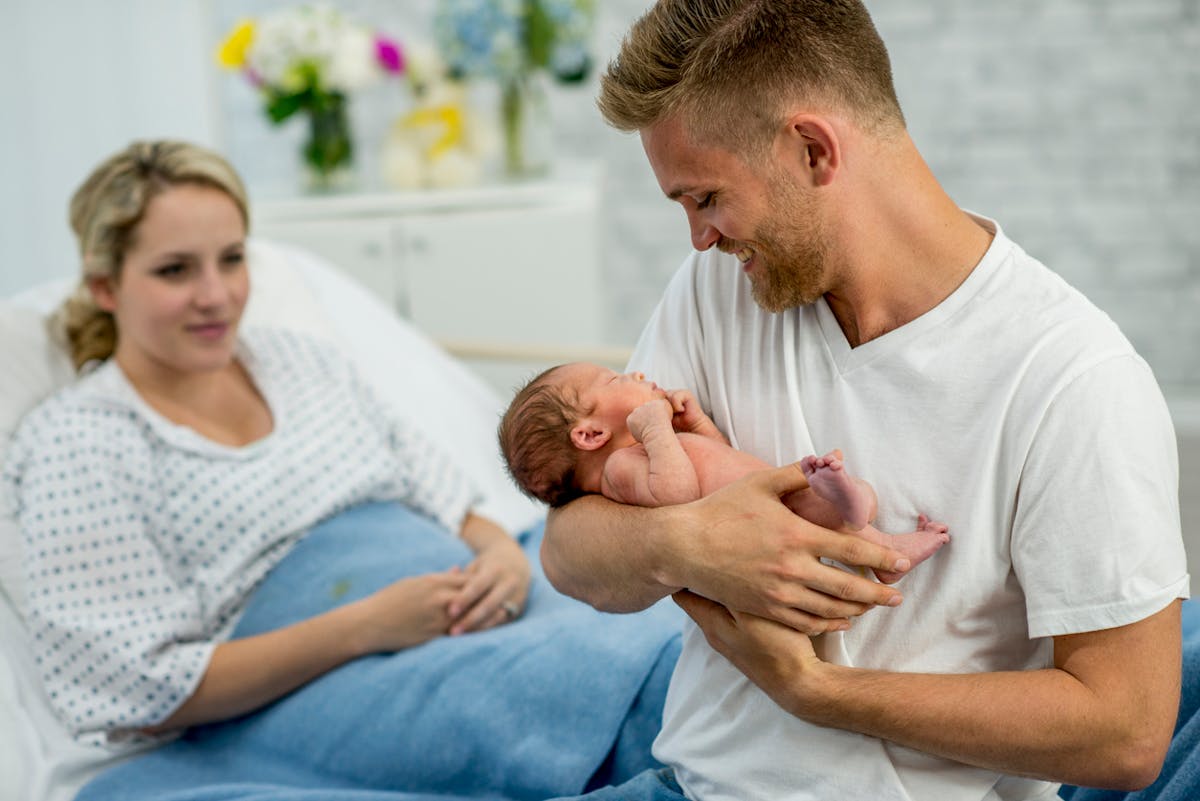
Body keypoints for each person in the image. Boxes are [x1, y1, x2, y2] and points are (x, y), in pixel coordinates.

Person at [540, 2, 1190, 800]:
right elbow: (567, 547)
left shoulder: (1069, 378)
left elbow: (1126, 734)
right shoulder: (717, 290)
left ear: (813, 150)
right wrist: (697, 544)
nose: (698, 239)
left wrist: (816, 692)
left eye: (706, 198)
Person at [2, 140, 531, 745]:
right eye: (175, 270)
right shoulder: (78, 444)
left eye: (231, 259)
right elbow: (136, 686)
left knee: (649, 653)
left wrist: (504, 560)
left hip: (471, 621)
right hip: (323, 693)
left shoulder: (300, 361)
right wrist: (364, 627)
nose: (216, 295)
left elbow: (444, 492)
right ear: (104, 287)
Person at [498, 361, 949, 584]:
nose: (634, 373)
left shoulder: (648, 448)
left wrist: (695, 426)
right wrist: (656, 428)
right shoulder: (620, 469)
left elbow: (716, 457)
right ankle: (881, 548)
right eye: (616, 381)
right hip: (758, 520)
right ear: (591, 435)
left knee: (857, 502)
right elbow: (677, 495)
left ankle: (880, 542)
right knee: (835, 514)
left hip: (768, 494)